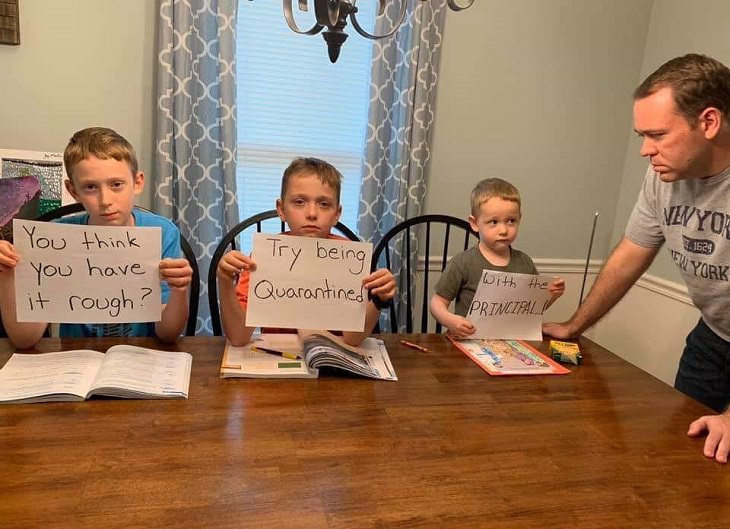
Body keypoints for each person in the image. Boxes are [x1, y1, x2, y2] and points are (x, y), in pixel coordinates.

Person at [543, 53, 730, 463]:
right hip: (713, 338)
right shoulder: (662, 177)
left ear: (709, 122)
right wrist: (575, 325)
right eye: (641, 135)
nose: (646, 150)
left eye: (658, 134)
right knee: (679, 455)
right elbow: (631, 253)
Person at [0, 127, 193, 348]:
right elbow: (24, 339)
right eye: (90, 187)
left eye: (116, 184)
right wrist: (7, 275)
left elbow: (167, 334)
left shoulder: (162, 232)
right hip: (76, 360)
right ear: (73, 190)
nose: (105, 200)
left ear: (137, 182)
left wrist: (179, 290)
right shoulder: (54, 239)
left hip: (140, 358)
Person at [216, 157, 396, 347]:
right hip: (280, 358)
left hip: (332, 359)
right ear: (281, 209)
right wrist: (225, 280)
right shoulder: (263, 259)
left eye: (324, 204)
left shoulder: (351, 260)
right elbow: (238, 336)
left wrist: (378, 299)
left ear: (337, 214)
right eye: (299, 202)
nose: (311, 213)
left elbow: (352, 339)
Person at [429, 178, 565, 338]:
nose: (503, 230)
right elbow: (437, 303)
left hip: (510, 342)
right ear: (474, 223)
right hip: (468, 342)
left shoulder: (525, 262)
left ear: (519, 219)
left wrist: (551, 296)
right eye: (494, 222)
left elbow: (530, 309)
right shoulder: (463, 262)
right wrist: (451, 320)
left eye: (511, 221)